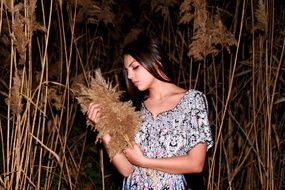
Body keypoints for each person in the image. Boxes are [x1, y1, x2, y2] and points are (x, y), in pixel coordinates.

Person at [87, 35, 213, 190]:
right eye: (127, 71)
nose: (130, 76)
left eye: (135, 67)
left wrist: (144, 161)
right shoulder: (134, 108)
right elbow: (127, 170)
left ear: (156, 60)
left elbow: (196, 163)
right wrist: (103, 130)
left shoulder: (192, 101)